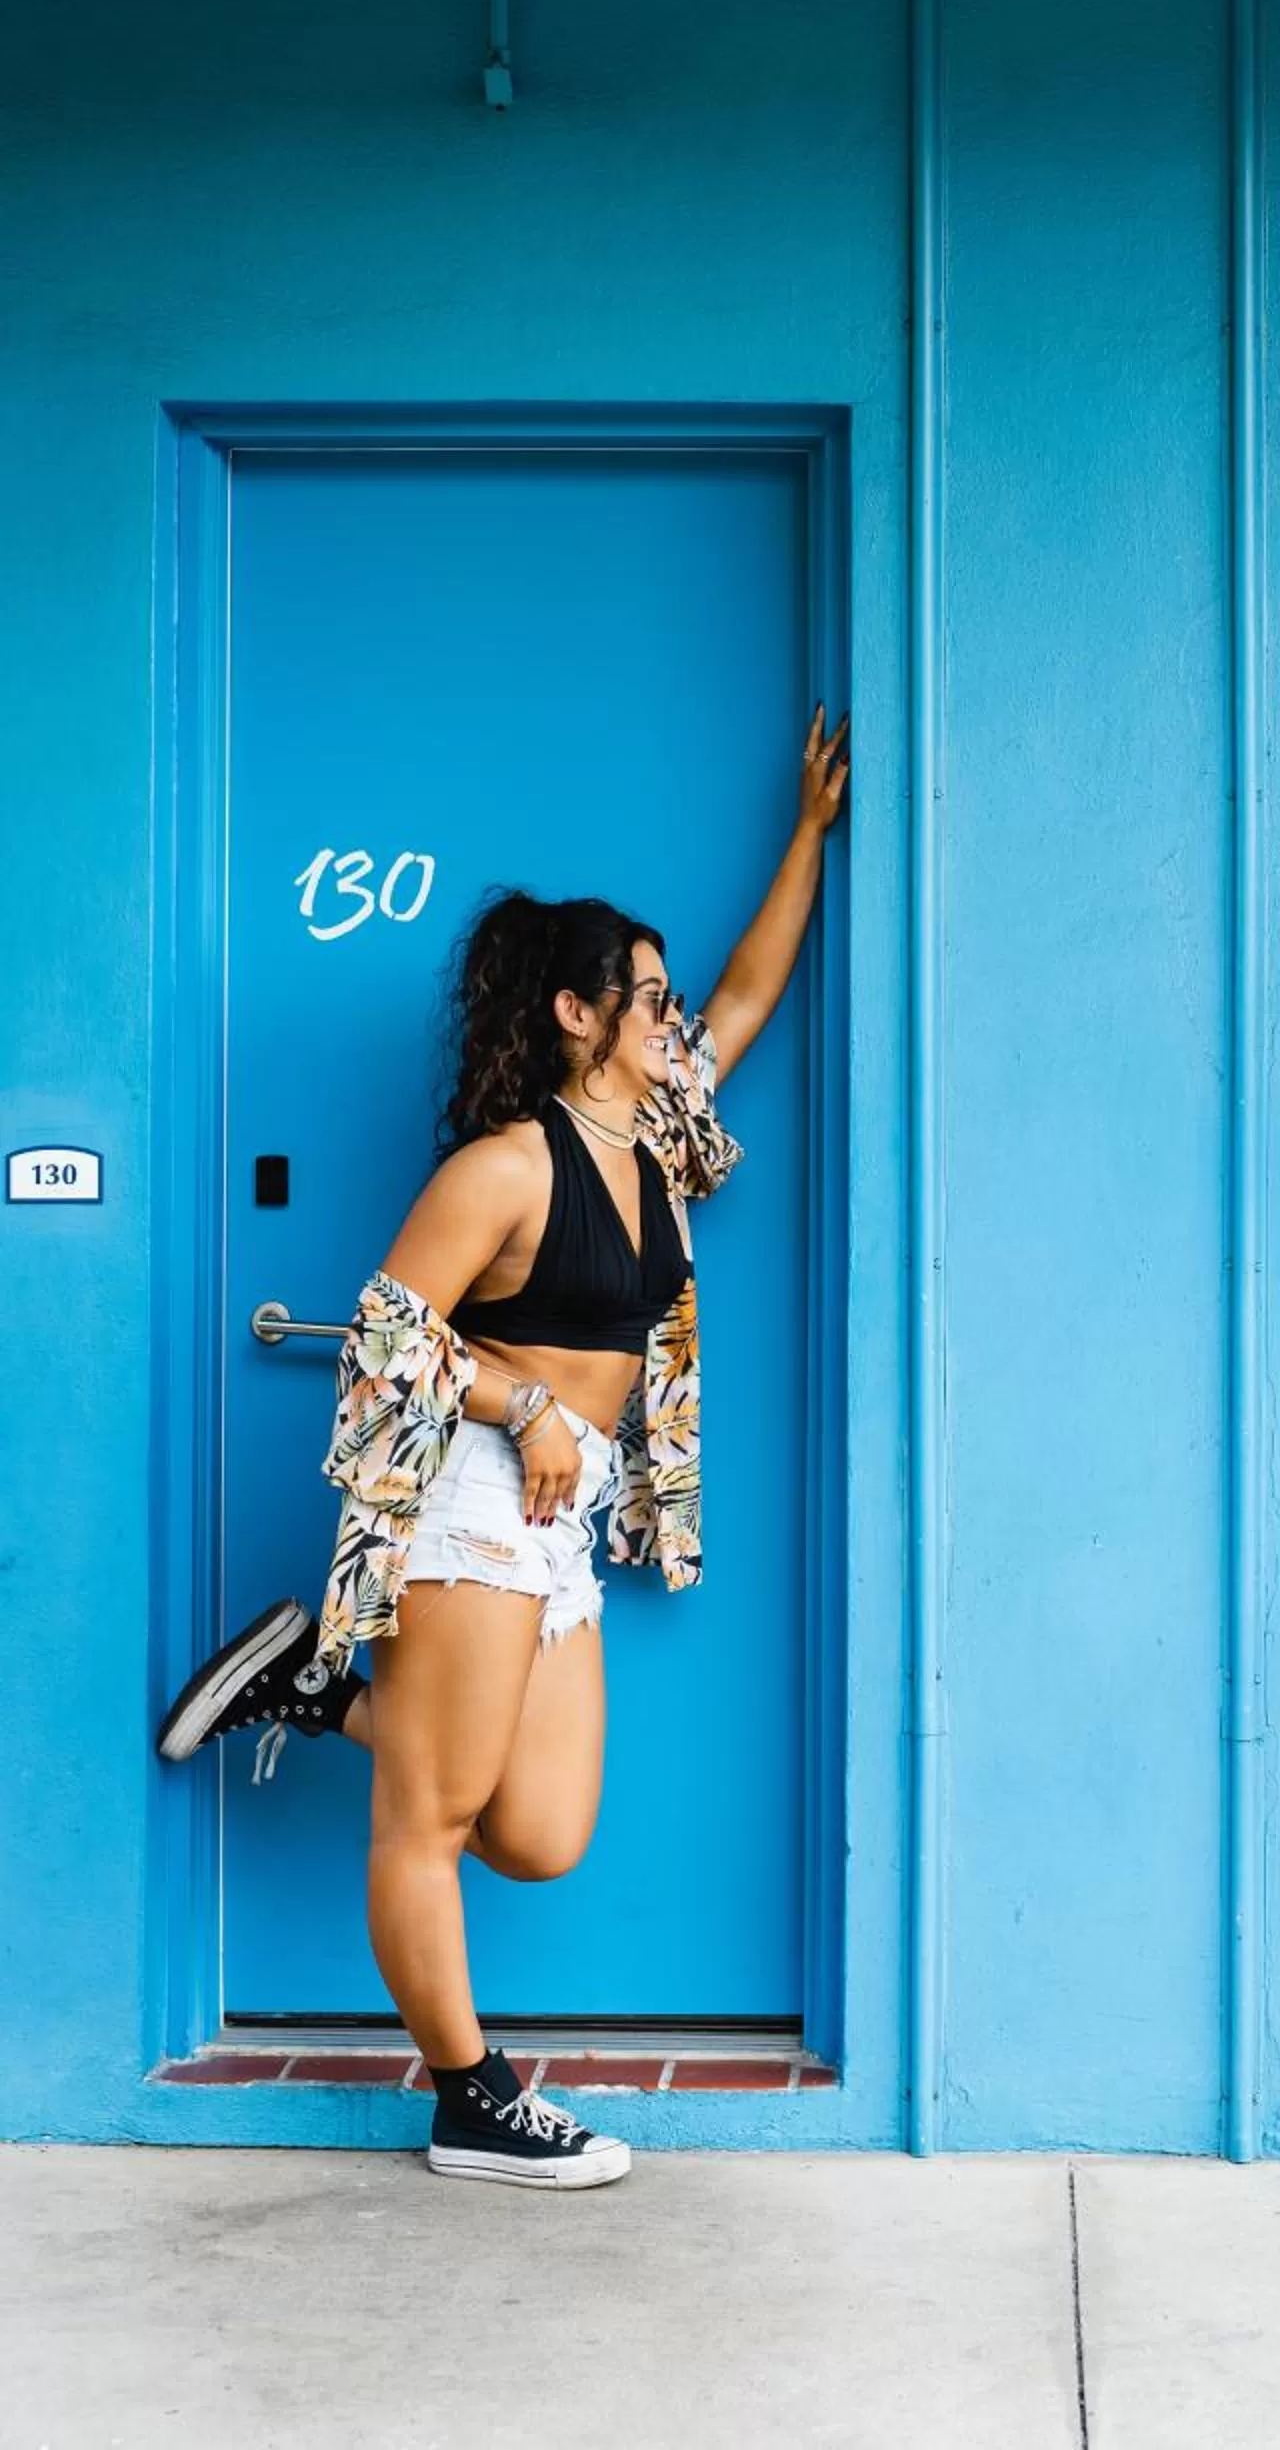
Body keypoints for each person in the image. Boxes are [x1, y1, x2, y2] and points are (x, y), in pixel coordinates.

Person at [157, 710, 850, 2189]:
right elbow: (386, 1334)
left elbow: (748, 990)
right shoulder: (507, 1166)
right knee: (433, 1817)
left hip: (569, 1516)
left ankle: (309, 1683)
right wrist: (527, 1407)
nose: (672, 1019)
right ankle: (472, 2101)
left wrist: (807, 835)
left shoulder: (662, 1140)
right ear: (575, 1017)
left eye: (666, 999)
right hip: (475, 1495)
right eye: (644, 998)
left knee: (539, 1831)